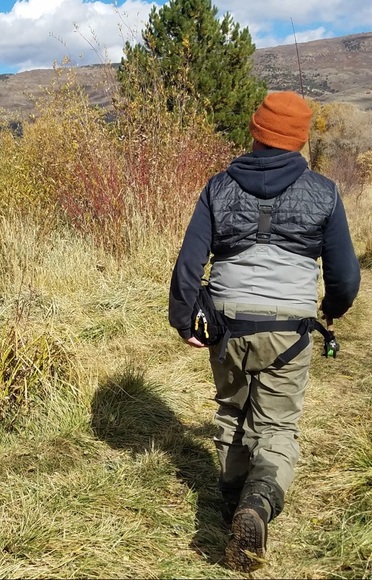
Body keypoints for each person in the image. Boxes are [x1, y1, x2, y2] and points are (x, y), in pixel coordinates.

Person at [168, 91, 360, 572]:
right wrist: (331, 310)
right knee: (276, 425)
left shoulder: (218, 187)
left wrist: (183, 318)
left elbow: (190, 262)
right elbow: (345, 277)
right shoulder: (325, 193)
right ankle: (258, 501)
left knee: (232, 410)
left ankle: (231, 500)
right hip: (289, 331)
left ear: (255, 131)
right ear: (299, 140)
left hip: (227, 325)